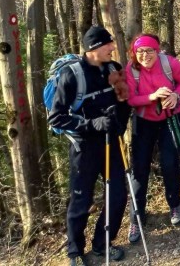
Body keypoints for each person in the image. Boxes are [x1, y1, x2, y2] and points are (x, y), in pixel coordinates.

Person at [48, 26, 131, 265]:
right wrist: (92, 123)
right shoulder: (72, 75)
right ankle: (75, 252)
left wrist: (119, 123)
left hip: (111, 142)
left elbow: (123, 101)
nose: (113, 48)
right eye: (108, 45)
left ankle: (102, 244)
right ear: (93, 48)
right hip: (83, 147)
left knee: (117, 196)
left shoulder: (113, 68)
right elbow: (56, 118)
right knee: (81, 200)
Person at [124, 34, 180, 244]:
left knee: (170, 162)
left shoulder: (170, 63)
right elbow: (130, 99)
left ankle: (174, 203)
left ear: (157, 50)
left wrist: (175, 95)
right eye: (140, 51)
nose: (145, 55)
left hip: (171, 116)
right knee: (139, 168)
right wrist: (152, 97)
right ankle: (137, 215)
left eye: (149, 51)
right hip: (144, 120)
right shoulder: (131, 70)